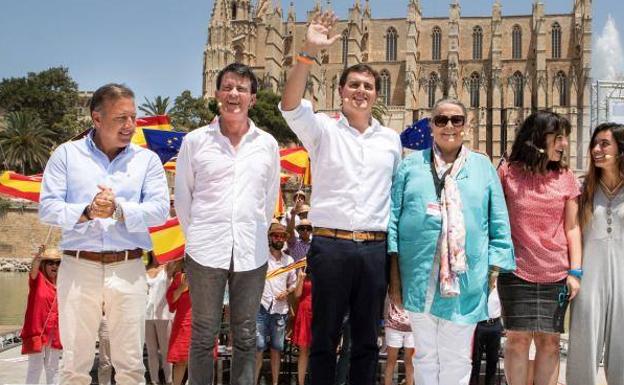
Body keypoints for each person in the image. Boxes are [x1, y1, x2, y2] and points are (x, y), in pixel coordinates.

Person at [280, 11, 402, 385]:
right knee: (323, 339)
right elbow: (289, 106)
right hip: (330, 247)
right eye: (354, 85)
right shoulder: (322, 130)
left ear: (376, 94)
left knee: (367, 341)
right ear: (341, 90)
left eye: (367, 86)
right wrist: (307, 54)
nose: (360, 91)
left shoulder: (390, 140)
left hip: (373, 249)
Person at [38, 83, 170, 385]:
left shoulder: (147, 161)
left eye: (133, 117)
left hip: (129, 268)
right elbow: (47, 208)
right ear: (96, 119)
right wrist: (86, 211)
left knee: (132, 366)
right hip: (77, 266)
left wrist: (119, 210)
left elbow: (160, 211)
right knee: (73, 364)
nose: (130, 126)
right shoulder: (66, 156)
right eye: (121, 118)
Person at [387, 98, 515, 385]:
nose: (449, 126)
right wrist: (394, 278)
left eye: (456, 120)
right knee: (423, 357)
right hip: (418, 278)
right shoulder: (411, 167)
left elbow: (499, 222)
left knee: (457, 358)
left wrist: (493, 270)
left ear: (466, 126)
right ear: (431, 125)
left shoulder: (483, 168)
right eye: (441, 120)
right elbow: (393, 220)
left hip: (465, 282)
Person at [174, 62, 280, 385]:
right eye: (228, 87)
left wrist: (253, 232)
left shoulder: (268, 145)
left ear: (253, 99)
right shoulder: (194, 142)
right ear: (217, 93)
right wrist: (200, 236)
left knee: (246, 335)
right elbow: (183, 199)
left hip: (251, 251)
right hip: (205, 251)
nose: (234, 94)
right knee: (203, 334)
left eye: (242, 88)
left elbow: (268, 200)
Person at [497, 111, 582, 385]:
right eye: (558, 137)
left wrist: (575, 271)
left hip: (556, 275)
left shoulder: (566, 177)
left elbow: (572, 227)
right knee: (517, 341)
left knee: (550, 343)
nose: (564, 144)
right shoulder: (507, 173)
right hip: (515, 272)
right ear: (537, 138)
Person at [567, 122, 624, 385]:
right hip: (589, 277)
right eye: (594, 144)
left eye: (604, 144)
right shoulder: (583, 190)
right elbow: (571, 230)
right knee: (583, 344)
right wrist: (574, 272)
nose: (596, 150)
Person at [255, 223, 297, 385]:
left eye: (282, 236)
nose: (279, 239)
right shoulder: (261, 257)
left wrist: (286, 292)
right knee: (258, 348)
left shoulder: (290, 260)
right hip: (261, 307)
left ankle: (275, 383)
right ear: (270, 238)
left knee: (276, 348)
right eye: (275, 236)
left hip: (280, 310)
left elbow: (293, 283)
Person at [21, 246, 62, 385]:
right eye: (50, 262)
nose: (54, 266)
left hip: (55, 333)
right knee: (35, 368)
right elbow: (33, 270)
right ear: (44, 265)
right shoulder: (37, 279)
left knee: (53, 369)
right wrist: (37, 258)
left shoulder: (63, 284)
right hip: (37, 333)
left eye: (57, 263)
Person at [145, 252, 173, 385]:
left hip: (164, 314)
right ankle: (154, 381)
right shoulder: (144, 268)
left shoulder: (168, 267)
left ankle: (169, 381)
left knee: (166, 351)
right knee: (151, 352)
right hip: (146, 315)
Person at [469, 288, 503, 385]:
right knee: (475, 360)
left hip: (495, 323)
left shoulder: (498, 283)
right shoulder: (481, 281)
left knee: (493, 360)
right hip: (479, 323)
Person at [166, 261, 192, 385]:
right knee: (181, 360)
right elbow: (171, 300)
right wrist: (182, 288)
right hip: (183, 324)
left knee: (200, 359)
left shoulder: (207, 277)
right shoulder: (179, 278)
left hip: (203, 322)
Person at [382, 296, 415, 385]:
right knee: (409, 361)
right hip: (409, 325)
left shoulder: (393, 281)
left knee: (391, 361)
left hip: (395, 324)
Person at [292, 268, 312, 385]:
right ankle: (301, 382)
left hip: (319, 312)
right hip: (304, 312)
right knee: (303, 351)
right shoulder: (303, 270)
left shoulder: (323, 270)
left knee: (316, 350)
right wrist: (300, 278)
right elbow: (297, 294)